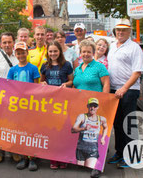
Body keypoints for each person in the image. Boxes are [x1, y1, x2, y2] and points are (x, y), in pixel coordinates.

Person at [107, 19, 143, 169]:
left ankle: (133, 157)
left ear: (129, 32)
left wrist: (124, 88)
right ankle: (120, 152)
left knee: (128, 124)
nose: (120, 32)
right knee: (117, 124)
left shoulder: (134, 48)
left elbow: (137, 72)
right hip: (113, 91)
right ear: (115, 31)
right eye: (118, 30)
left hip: (129, 90)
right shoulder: (112, 46)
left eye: (124, 30)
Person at [40, 41, 73, 169]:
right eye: (50, 51)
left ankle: (63, 157)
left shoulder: (67, 65)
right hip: (49, 103)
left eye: (55, 51)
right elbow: (42, 81)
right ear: (48, 53)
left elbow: (71, 80)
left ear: (60, 52)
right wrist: (42, 84)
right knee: (52, 131)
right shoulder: (45, 66)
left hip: (64, 102)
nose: (53, 53)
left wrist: (67, 84)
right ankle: (53, 158)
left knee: (63, 131)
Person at [7, 41, 40, 171]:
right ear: (15, 54)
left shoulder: (33, 68)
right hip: (18, 107)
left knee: (31, 131)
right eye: (18, 53)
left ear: (27, 53)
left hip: (31, 106)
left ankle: (32, 158)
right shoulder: (13, 70)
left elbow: (37, 87)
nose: (21, 55)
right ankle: (23, 157)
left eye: (23, 52)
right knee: (20, 131)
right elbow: (9, 86)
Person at [0, 32, 20, 162]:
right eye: (4, 42)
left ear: (13, 42)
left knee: (14, 125)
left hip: (15, 98)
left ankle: (13, 151)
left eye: (9, 42)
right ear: (1, 44)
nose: (7, 45)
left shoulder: (19, 56)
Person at [72, 98, 108, 178]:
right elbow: (73, 129)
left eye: (95, 106)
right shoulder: (82, 117)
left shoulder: (101, 119)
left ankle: (97, 167)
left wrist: (103, 138)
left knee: (91, 168)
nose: (93, 108)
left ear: (97, 107)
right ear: (87, 106)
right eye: (91, 106)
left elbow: (106, 128)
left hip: (93, 149)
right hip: (81, 148)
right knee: (81, 166)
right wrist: (83, 128)